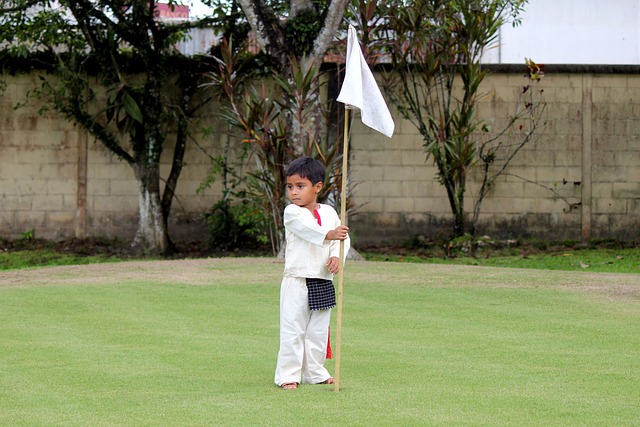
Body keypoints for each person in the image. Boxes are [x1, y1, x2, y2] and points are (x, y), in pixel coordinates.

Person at [274, 156, 350, 390]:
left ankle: (315, 372)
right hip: (297, 280)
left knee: (317, 332)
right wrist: (330, 235)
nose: (294, 192)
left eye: (300, 186)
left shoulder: (328, 212)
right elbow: (308, 231)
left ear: (317, 187)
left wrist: (337, 256)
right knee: (293, 329)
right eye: (290, 187)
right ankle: (288, 375)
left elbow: (343, 239)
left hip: (322, 280)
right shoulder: (292, 213)